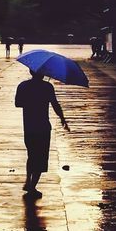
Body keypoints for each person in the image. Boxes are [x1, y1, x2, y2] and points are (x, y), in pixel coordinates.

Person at [14, 69, 68, 199]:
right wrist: (62, 118)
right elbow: (55, 104)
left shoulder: (23, 85)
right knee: (41, 157)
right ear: (43, 74)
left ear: (30, 71)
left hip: (29, 127)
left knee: (31, 155)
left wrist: (30, 101)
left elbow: (17, 103)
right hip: (43, 127)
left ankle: (28, 180)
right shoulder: (47, 87)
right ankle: (32, 186)